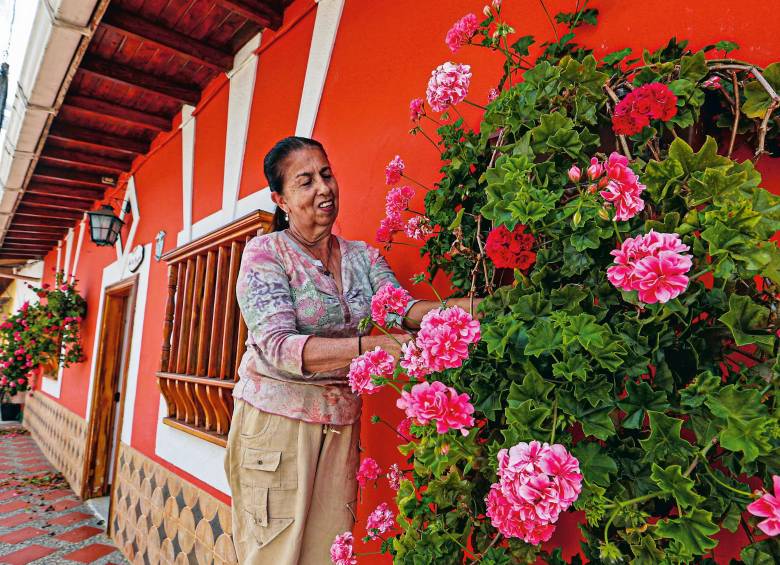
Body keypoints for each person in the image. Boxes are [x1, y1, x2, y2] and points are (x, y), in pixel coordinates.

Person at [224, 136, 478, 564]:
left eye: (326, 174)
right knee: (273, 553)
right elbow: (279, 347)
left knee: (327, 550)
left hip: (340, 422)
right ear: (280, 199)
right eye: (305, 181)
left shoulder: (362, 256)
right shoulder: (265, 253)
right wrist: (377, 347)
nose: (323, 188)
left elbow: (404, 309)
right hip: (277, 424)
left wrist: (473, 312)